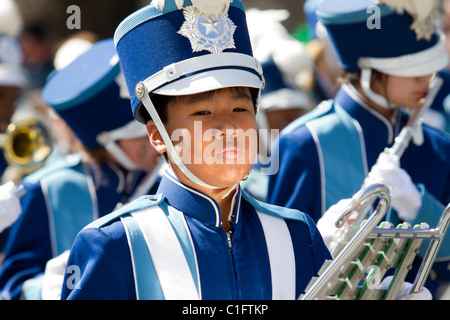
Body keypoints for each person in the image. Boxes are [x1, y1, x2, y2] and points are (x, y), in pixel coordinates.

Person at [60, 0, 331, 300]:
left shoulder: (295, 233)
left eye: (240, 107)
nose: (229, 127)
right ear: (157, 135)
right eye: (202, 112)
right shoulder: (115, 244)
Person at [267, 0, 450, 298]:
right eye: (411, 67)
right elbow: (280, 263)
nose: (425, 78)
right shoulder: (305, 142)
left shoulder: (437, 146)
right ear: (367, 70)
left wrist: (421, 207)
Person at [0, 38, 161, 300]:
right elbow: (11, 286)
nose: (155, 142)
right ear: (106, 141)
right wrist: (40, 291)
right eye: (139, 136)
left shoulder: (167, 181)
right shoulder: (46, 189)